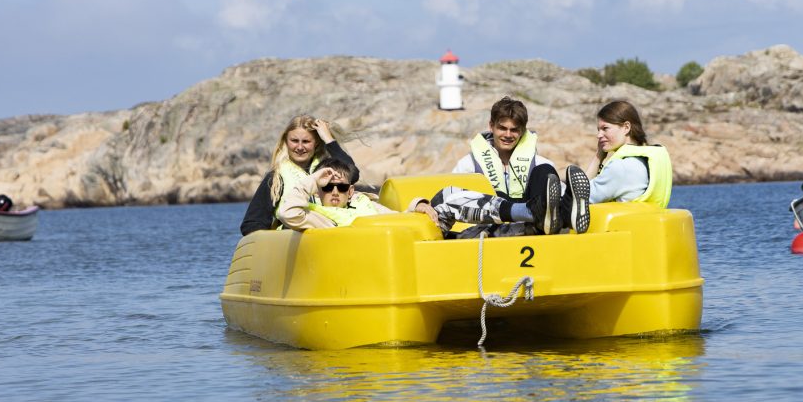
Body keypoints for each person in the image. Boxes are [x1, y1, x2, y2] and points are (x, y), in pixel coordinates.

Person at [429, 96, 590, 238]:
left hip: (531, 230)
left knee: (545, 171)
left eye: (514, 130)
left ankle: (567, 212)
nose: (507, 135)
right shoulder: (468, 164)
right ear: (491, 126)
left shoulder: (540, 163)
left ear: (522, 132)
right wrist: (418, 203)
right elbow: (449, 202)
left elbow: (553, 198)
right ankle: (535, 212)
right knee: (448, 195)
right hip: (487, 230)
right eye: (502, 128)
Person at [239, 116, 354, 235]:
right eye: (294, 141)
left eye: (306, 141)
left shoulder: (327, 170)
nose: (299, 147)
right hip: (293, 240)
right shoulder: (276, 179)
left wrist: (329, 139)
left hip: (332, 232)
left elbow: (352, 173)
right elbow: (251, 224)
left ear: (316, 144)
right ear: (286, 142)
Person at [278, 158, 435, 230]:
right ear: (317, 192)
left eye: (341, 188)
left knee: (442, 200)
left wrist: (418, 205)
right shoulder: (315, 218)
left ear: (350, 191)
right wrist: (313, 180)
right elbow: (287, 213)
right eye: (327, 187)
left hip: (377, 262)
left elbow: (399, 219)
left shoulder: (367, 206)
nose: (334, 192)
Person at [581, 100, 673, 208]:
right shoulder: (645, 161)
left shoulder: (621, 167)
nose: (599, 135)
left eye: (605, 128)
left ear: (626, 127)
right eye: (598, 130)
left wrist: (598, 158)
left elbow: (579, 199)